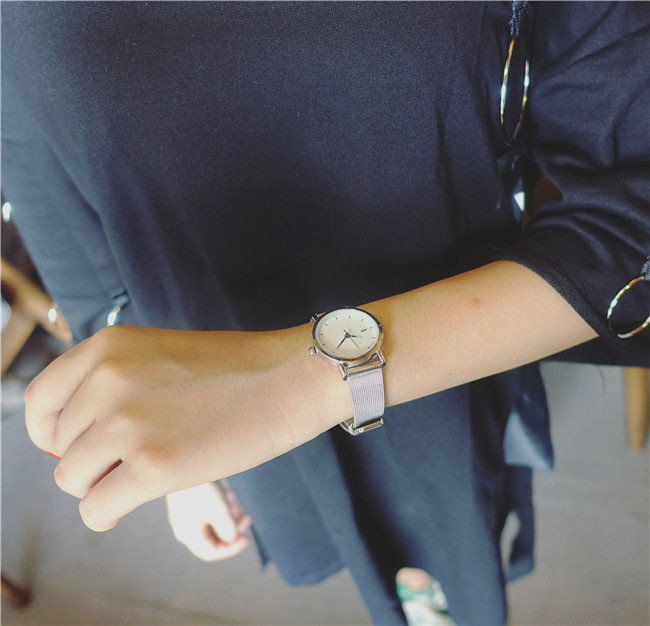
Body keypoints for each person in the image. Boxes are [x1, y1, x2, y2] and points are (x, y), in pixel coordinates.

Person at [2, 2, 648, 625]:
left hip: (443, 343)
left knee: (438, 528)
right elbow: (41, 175)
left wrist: (304, 381)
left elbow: (629, 226)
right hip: (195, 379)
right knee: (320, 523)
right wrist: (145, 435)